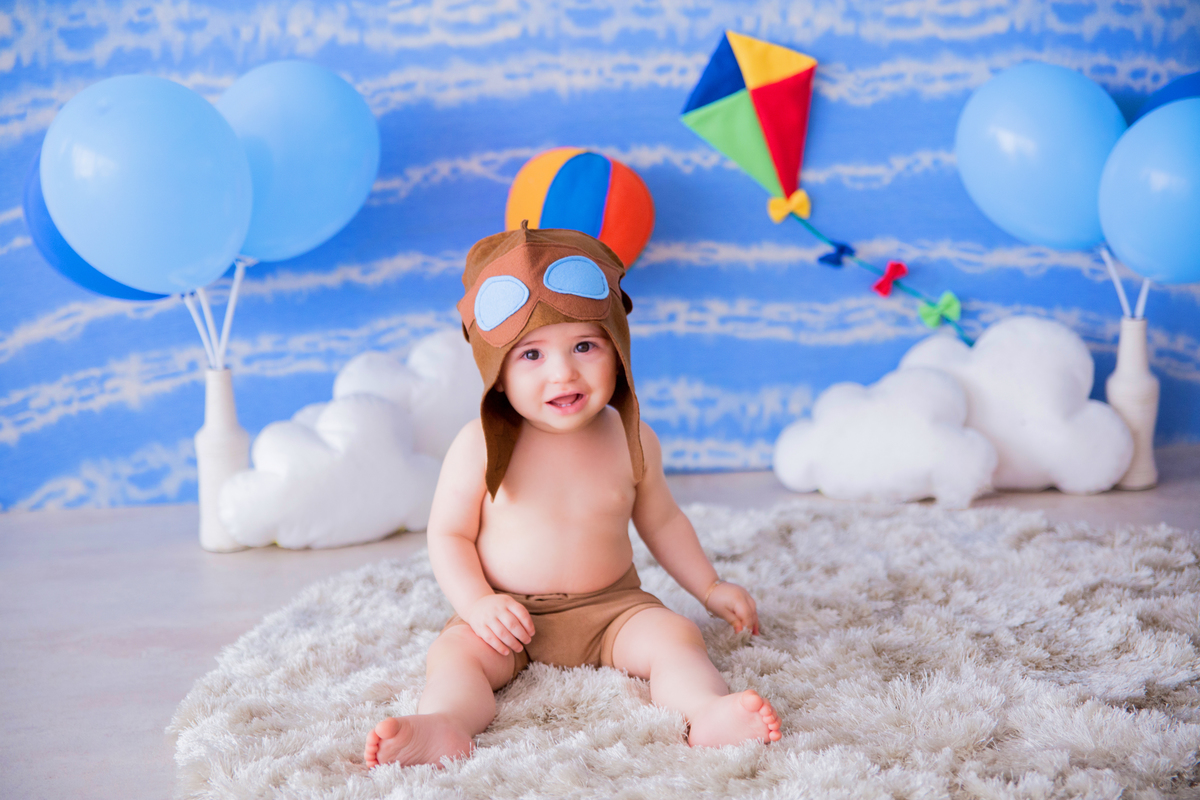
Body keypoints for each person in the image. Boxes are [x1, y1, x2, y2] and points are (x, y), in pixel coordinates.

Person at [365, 224, 781, 768]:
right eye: (531, 355)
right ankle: (445, 723)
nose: (563, 372)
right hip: (510, 615)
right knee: (455, 656)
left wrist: (709, 585)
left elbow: (663, 521)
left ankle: (707, 711)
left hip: (612, 609)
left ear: (617, 351)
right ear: (497, 371)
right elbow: (448, 535)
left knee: (675, 637)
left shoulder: (631, 439)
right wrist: (477, 605)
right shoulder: (478, 446)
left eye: (585, 345)